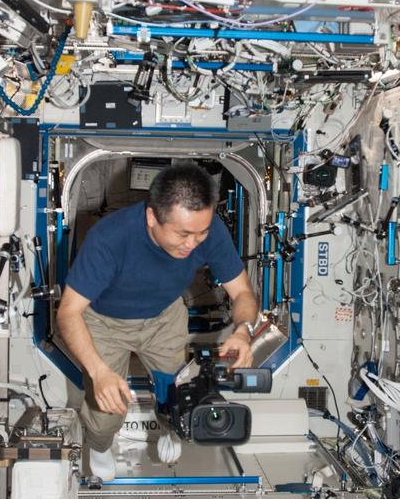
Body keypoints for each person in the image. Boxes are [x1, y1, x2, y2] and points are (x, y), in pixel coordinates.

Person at [56, 161, 260, 479]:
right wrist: (99, 372)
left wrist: (243, 331)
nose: (193, 243)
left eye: (201, 233)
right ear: (152, 217)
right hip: (104, 322)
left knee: (177, 391)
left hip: (164, 317)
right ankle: (99, 445)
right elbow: (68, 312)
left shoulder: (207, 230)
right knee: (106, 411)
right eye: (183, 234)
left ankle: (170, 427)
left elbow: (242, 293)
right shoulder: (109, 238)